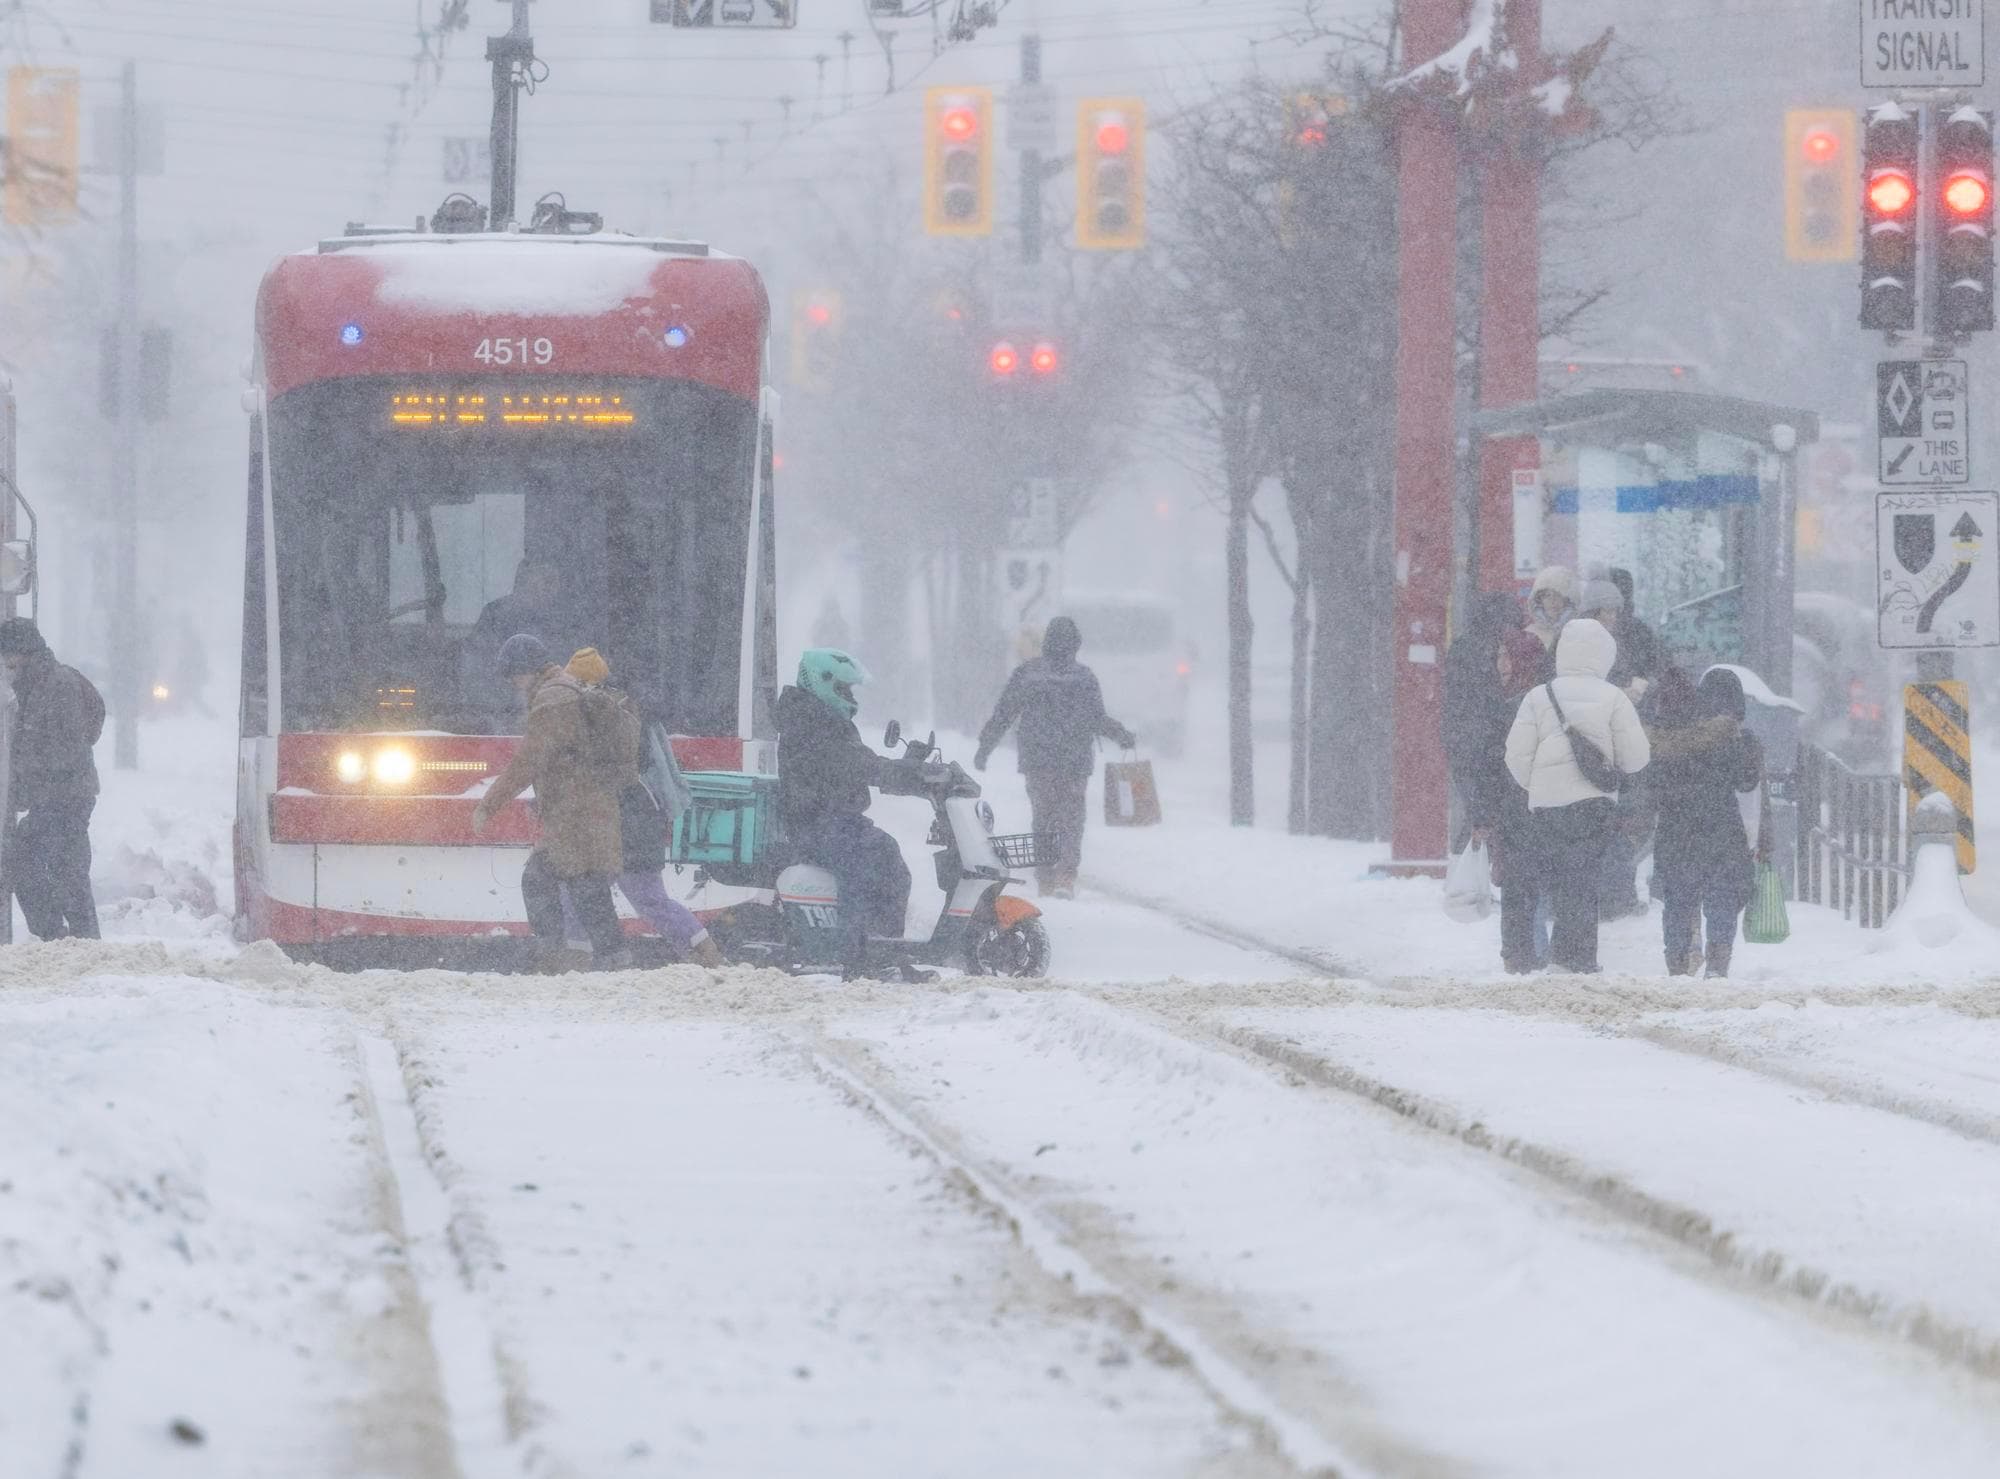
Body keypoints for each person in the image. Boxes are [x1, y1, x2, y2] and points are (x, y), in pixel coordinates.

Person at [471, 634, 630, 972]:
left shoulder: (552, 700)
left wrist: (489, 804)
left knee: (543, 879)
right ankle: (612, 958)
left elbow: (529, 761)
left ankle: (554, 956)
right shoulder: (565, 689)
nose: (515, 685)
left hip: (577, 813)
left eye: (515, 676)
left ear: (528, 670)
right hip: (588, 808)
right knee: (585, 886)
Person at [559, 647, 723, 967]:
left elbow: (598, 773)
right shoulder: (629, 712)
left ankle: (579, 958)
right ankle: (703, 951)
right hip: (637, 820)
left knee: (582, 892)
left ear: (588, 685)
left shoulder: (606, 719)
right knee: (642, 898)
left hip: (624, 823)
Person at [1505, 618, 1651, 973]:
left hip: (1548, 805)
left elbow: (1516, 754)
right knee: (1583, 880)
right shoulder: (1613, 697)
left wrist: (1536, 785)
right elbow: (1637, 757)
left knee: (1555, 877)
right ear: (1605, 656)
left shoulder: (1539, 696)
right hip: (1594, 804)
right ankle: (1579, 957)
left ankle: (1557, 952)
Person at [973, 615, 1137, 899]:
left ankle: (1046, 877)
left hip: (1038, 761)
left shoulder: (1028, 674)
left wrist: (985, 747)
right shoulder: (1084, 678)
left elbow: (1004, 713)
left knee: (1043, 817)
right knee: (1072, 819)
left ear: (1046, 643)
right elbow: (1097, 719)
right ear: (1075, 645)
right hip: (1074, 763)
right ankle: (1065, 876)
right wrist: (1122, 735)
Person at [776, 648, 910, 948]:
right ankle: (856, 953)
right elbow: (850, 762)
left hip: (838, 820)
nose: (850, 696)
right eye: (844, 688)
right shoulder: (807, 720)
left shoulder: (822, 716)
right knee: (860, 866)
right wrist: (898, 772)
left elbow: (853, 760)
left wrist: (906, 770)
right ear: (824, 682)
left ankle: (886, 946)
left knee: (887, 855)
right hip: (816, 824)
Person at [1648, 667, 1765, 978]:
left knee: (1677, 898)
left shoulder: (1672, 735)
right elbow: (1746, 782)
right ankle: (1717, 962)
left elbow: (1653, 781)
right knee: (1722, 896)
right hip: (1721, 827)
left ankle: (1676, 963)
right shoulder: (1734, 738)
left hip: (1675, 829)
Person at [0, 619, 102, 940]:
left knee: (59, 870)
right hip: (55, 798)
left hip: (66, 797)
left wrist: (23, 781)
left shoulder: (56, 686)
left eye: (8, 657)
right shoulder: (32, 685)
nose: (6, 664)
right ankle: (71, 941)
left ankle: (71, 941)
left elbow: (65, 748)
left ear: (23, 653)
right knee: (58, 869)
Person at [1472, 627, 1553, 973]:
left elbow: (1488, 765)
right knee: (1526, 883)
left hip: (1518, 809)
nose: (1500, 663)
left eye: (1507, 656)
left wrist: (1483, 813)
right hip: (1529, 808)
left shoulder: (1511, 706)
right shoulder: (1542, 701)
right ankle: (1526, 954)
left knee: (1520, 885)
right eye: (1499, 656)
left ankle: (1522, 955)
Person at [1579, 575, 1657, 919]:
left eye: (1615, 610)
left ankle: (1614, 892)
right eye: (1606, 611)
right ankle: (1608, 894)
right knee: (1607, 822)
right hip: (1597, 745)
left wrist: (1641, 687)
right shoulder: (1587, 643)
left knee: (1618, 822)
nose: (1612, 617)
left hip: (1615, 744)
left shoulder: (1626, 637)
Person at [1443, 592, 1525, 846]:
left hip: (1470, 741)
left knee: (1479, 821)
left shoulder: (1463, 649)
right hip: (1494, 745)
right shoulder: (1511, 648)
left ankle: (1473, 847)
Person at [1526, 566, 1576, 652]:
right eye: (1547, 595)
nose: (1552, 601)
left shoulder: (1578, 632)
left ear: (1567, 599)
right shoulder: (1529, 634)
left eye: (1558, 594)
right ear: (1539, 601)